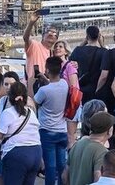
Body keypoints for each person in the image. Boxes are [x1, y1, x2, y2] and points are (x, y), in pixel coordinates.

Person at [0, 82, 42, 185]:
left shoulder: (9, 112)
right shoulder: (30, 112)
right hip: (36, 153)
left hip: (17, 155)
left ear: (10, 97)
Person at [35, 56, 70, 185]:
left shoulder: (43, 90)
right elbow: (55, 85)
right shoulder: (64, 84)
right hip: (62, 130)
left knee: (50, 167)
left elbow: (35, 102)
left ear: (47, 70)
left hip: (47, 131)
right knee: (61, 165)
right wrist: (46, 79)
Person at [63, 111, 115, 185]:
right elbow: (98, 180)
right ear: (109, 131)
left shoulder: (77, 145)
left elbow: (64, 176)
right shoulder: (102, 152)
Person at [23, 11, 60, 97]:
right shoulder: (35, 45)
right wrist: (31, 22)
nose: (51, 34)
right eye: (49, 32)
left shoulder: (53, 53)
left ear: (56, 39)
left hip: (47, 88)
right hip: (33, 87)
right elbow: (25, 38)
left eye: (54, 34)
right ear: (43, 35)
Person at [53, 40, 80, 148]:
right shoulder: (54, 66)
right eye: (56, 47)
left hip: (70, 104)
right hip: (60, 104)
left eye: (60, 47)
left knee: (70, 135)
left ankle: (71, 160)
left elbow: (74, 86)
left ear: (66, 51)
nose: (57, 48)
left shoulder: (70, 66)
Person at [71, 26, 107, 104]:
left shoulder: (78, 50)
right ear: (98, 36)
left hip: (80, 87)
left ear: (87, 36)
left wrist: (83, 42)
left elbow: (70, 61)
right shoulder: (103, 52)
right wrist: (102, 44)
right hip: (96, 87)